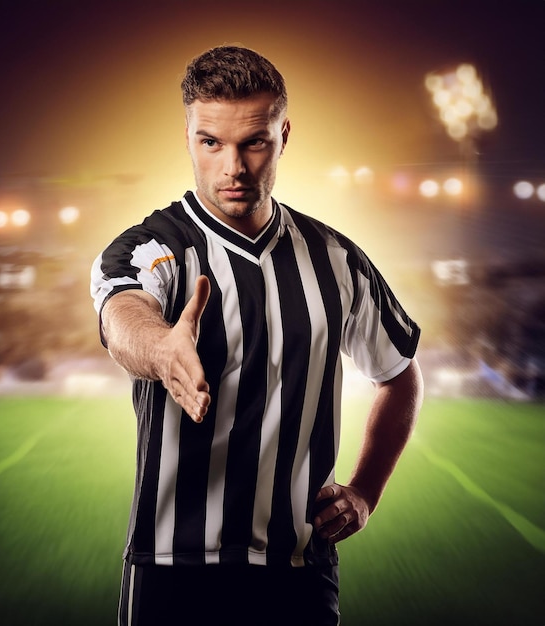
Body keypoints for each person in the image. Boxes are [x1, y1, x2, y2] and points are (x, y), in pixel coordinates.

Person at [90, 45, 423, 626]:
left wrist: (365, 491)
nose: (233, 167)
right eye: (210, 142)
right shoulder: (152, 247)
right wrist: (161, 349)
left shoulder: (337, 260)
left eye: (254, 142)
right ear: (188, 136)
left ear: (283, 134)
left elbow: (399, 374)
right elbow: (123, 314)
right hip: (173, 568)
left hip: (299, 569)